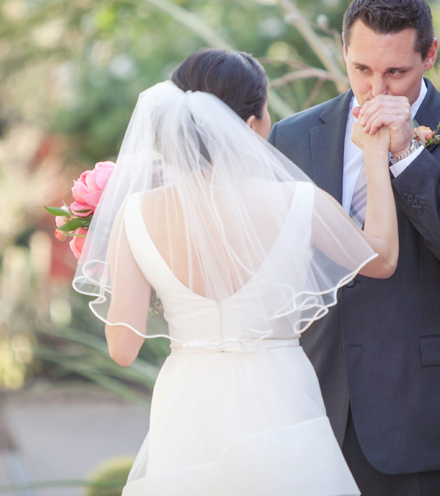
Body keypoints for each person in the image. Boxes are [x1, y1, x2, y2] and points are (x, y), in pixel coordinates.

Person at [73, 48, 400, 495]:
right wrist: (376, 156)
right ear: (248, 126)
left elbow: (123, 347)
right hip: (278, 393)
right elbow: (382, 259)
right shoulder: (298, 202)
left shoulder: (135, 214)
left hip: (187, 403)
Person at [268, 0, 440, 495]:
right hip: (313, 410)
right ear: (344, 54)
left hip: (419, 415)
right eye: (361, 69)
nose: (376, 89)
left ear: (429, 56)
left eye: (395, 73)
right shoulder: (293, 136)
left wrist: (407, 154)